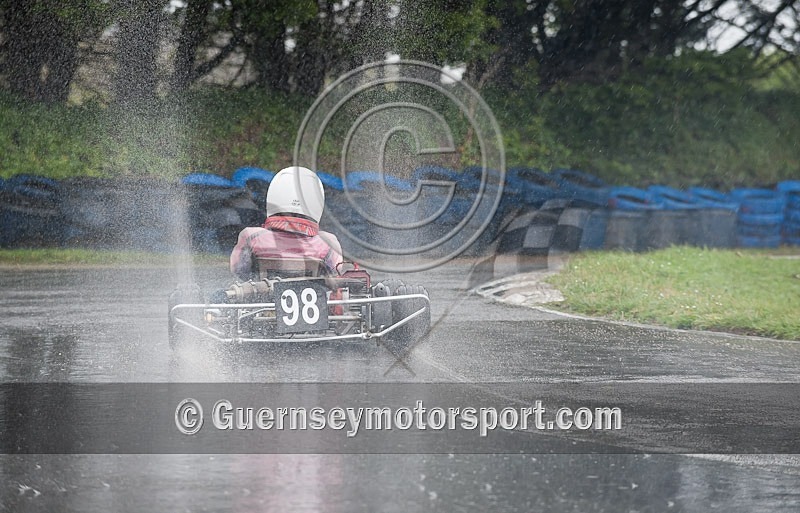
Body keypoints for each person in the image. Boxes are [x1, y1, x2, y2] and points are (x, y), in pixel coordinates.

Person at [229, 166, 344, 281]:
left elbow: (238, 271)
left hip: (264, 297)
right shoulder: (328, 242)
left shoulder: (252, 236)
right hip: (314, 297)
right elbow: (335, 274)